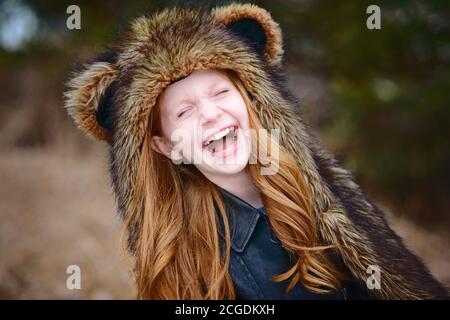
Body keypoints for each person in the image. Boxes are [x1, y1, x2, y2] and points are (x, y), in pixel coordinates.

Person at [64, 3, 448, 300]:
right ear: (163, 145)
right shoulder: (188, 253)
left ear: (251, 101)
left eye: (221, 93)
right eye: (184, 111)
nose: (211, 114)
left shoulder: (316, 192)